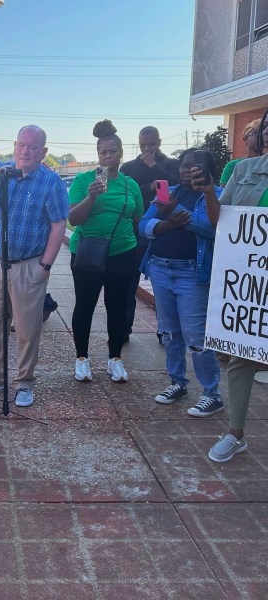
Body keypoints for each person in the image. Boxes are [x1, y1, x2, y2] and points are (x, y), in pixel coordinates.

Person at [0, 125, 68, 407]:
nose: (25, 151)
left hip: (29, 266)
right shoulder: (0, 172)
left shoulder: (50, 182)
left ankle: (24, 382)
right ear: (14, 146)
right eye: (21, 145)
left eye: (33, 147)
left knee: (26, 328)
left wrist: (45, 267)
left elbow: (58, 225)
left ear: (43, 152)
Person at [199, 110, 268, 463]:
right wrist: (210, 190)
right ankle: (235, 433)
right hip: (252, 286)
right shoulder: (242, 170)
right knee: (241, 359)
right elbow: (218, 222)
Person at [139, 148, 222, 415]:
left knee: (196, 336)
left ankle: (212, 394)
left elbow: (211, 228)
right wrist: (168, 224)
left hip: (191, 274)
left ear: (209, 171)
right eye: (185, 165)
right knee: (169, 332)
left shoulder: (216, 196)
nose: (189, 170)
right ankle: (177, 383)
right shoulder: (168, 191)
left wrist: (175, 211)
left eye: (197, 166)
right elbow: (143, 224)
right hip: (161, 269)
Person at [68, 120, 143, 383]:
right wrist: (92, 197)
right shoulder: (83, 180)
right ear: (98, 155)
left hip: (123, 252)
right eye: (103, 152)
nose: (108, 156)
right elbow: (73, 220)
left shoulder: (129, 184)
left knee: (117, 307)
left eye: (113, 151)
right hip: (88, 251)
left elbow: (138, 219)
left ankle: (115, 359)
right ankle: (81, 359)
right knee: (85, 305)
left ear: (121, 153)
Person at [120, 126, 180, 342]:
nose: (147, 149)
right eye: (143, 145)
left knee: (163, 289)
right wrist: (149, 187)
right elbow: (124, 192)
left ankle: (165, 332)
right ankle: (123, 330)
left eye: (151, 144)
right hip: (134, 234)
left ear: (159, 142)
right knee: (128, 285)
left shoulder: (171, 165)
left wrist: (154, 166)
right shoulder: (128, 167)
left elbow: (176, 187)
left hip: (163, 233)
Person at [219, 118, 262, 186]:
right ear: (245, 139)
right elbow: (224, 194)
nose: (260, 137)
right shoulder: (233, 165)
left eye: (263, 134)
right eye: (256, 134)